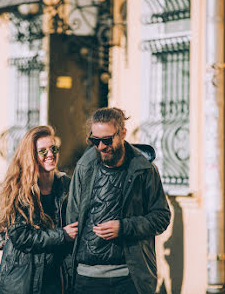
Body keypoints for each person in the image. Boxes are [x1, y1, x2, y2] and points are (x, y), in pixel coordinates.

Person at [66, 107, 171, 294]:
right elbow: (72, 219)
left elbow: (161, 217)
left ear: (122, 133)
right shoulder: (84, 167)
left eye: (106, 140)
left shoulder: (144, 170)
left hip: (129, 277)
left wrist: (124, 227)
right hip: (86, 279)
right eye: (94, 140)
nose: (100, 147)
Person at [0, 125, 78, 294]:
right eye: (43, 151)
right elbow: (21, 236)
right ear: (31, 155)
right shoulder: (18, 190)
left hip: (55, 279)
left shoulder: (67, 185)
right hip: (21, 281)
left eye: (53, 148)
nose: (50, 154)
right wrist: (63, 235)